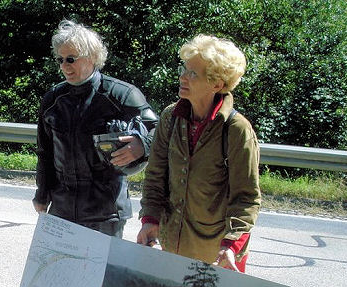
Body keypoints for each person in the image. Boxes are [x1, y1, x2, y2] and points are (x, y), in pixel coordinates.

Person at [136, 34, 261, 271]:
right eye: (185, 69)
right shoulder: (170, 117)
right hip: (172, 245)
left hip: (218, 254)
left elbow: (246, 198)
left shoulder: (236, 129)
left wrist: (231, 246)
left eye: (194, 73)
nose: (183, 77)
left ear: (217, 84)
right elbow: (155, 177)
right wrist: (150, 220)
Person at [34, 19, 158, 237]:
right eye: (60, 59)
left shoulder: (122, 95)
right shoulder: (53, 99)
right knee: (60, 271)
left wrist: (143, 144)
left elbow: (160, 130)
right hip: (61, 209)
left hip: (105, 212)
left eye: (71, 59)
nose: (64, 66)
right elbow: (45, 152)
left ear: (91, 57)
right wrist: (42, 193)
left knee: (101, 272)